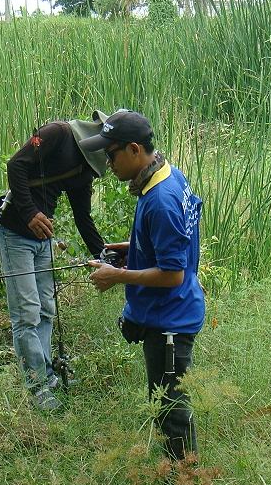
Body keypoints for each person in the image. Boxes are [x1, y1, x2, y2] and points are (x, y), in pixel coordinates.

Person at [83, 110, 205, 460]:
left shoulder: (159, 200)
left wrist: (117, 275)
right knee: (165, 400)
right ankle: (176, 475)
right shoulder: (168, 176)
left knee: (171, 410)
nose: (108, 164)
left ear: (135, 149)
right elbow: (175, 241)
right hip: (170, 312)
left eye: (111, 154)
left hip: (170, 322)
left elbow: (173, 274)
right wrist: (131, 247)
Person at [0, 112, 110, 412]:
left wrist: (104, 255)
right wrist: (29, 213)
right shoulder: (56, 134)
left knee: (46, 309)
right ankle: (37, 386)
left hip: (43, 239)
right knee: (26, 312)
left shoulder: (84, 171)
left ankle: (47, 376)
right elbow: (16, 164)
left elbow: (83, 217)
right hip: (13, 232)